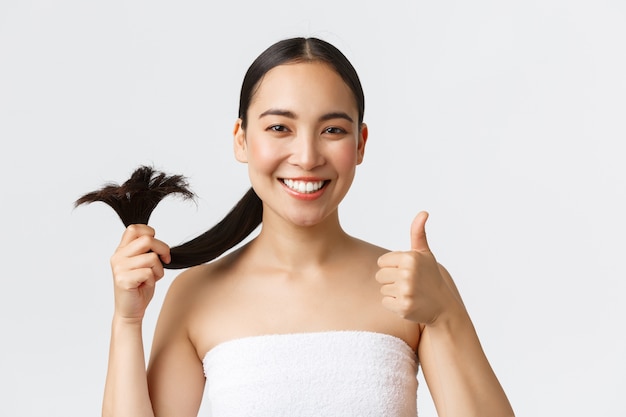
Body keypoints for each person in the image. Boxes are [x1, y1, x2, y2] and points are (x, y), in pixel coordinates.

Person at [95, 37, 515, 416]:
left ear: (361, 144)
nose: (308, 155)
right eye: (280, 128)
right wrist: (126, 322)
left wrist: (445, 313)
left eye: (332, 130)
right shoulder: (196, 295)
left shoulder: (411, 287)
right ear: (241, 139)